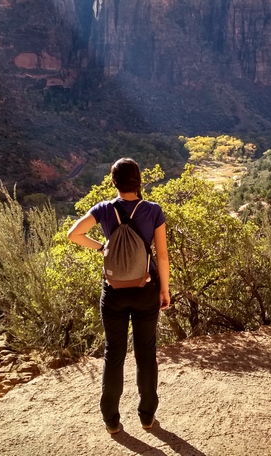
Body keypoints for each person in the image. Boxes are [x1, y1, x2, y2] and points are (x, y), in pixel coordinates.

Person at [67, 158, 170, 434]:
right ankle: (147, 416)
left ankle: (111, 420)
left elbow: (73, 234)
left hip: (113, 292)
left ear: (113, 182)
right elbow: (161, 255)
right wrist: (164, 290)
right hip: (145, 289)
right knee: (145, 353)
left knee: (114, 353)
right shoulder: (153, 211)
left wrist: (101, 247)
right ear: (139, 181)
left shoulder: (103, 209)